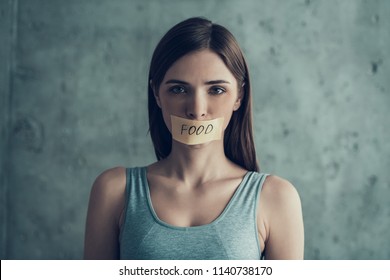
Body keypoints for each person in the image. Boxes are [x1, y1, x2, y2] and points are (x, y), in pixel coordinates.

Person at [84, 17, 304, 260]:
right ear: (157, 94)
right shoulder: (115, 191)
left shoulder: (276, 198)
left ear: (239, 97)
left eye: (216, 90)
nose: (197, 109)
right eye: (178, 89)